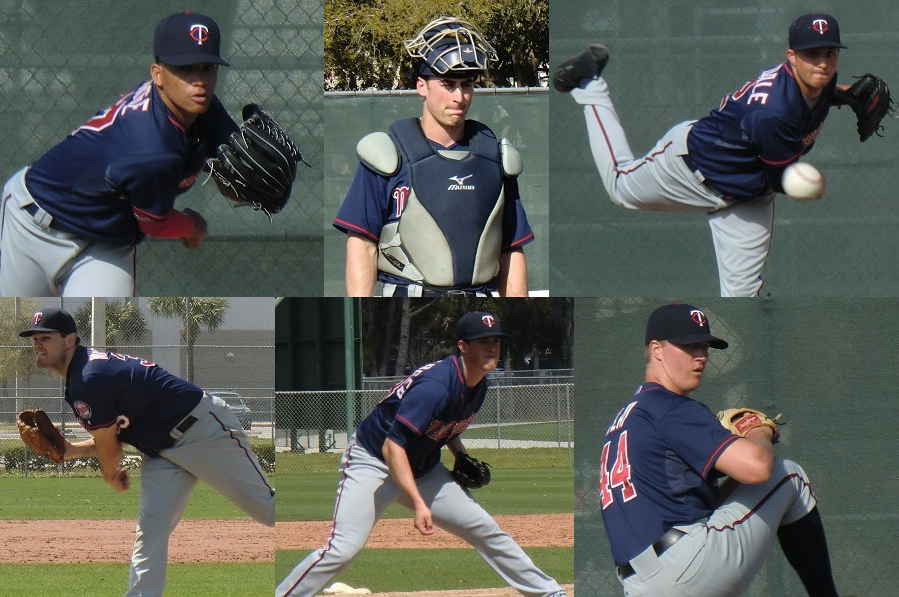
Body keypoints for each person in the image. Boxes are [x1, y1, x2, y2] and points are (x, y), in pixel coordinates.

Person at [554, 13, 854, 297]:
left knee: (743, 299)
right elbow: (782, 179)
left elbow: (819, 92)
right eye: (812, 54)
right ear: (791, 57)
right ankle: (590, 83)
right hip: (690, 169)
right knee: (619, 186)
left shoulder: (813, 80)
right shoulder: (772, 113)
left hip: (749, 196)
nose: (823, 64)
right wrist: (814, 185)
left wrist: (848, 94)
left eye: (830, 53)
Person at [277, 311, 566, 597]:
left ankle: (548, 593)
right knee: (343, 548)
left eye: (496, 340)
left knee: (484, 529)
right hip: (374, 462)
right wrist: (418, 503)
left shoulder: (479, 382)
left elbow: (447, 424)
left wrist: (460, 456)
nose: (492, 347)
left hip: (423, 468)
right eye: (482, 341)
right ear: (463, 346)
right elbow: (393, 446)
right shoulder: (436, 386)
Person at [19, 307, 275, 597]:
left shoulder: (88, 376)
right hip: (160, 452)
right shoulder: (80, 376)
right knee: (150, 535)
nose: (37, 344)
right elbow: (117, 435)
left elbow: (110, 448)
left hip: (203, 431)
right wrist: (71, 450)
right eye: (35, 338)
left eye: (46, 337)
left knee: (268, 510)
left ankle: (335, 542)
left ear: (70, 339)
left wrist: (111, 474)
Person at [598, 302, 845, 596]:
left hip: (639, 584)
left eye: (704, 347)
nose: (701, 356)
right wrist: (758, 429)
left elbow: (704, 502)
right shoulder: (670, 406)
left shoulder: (627, 418)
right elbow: (759, 467)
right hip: (685, 567)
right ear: (657, 349)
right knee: (789, 476)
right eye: (688, 346)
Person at [0, 11, 241, 296]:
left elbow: (234, 155)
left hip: (107, 244)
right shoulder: (151, 149)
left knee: (102, 332)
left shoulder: (199, 107)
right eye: (186, 68)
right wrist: (193, 227)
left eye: (207, 68)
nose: (199, 81)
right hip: (34, 224)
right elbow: (155, 222)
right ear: (157, 74)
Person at [333, 16, 534, 297]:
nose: (459, 96)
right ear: (421, 86)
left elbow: (511, 249)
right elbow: (362, 243)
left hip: (481, 298)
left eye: (466, 84)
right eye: (448, 84)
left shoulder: (496, 159)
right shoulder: (387, 156)